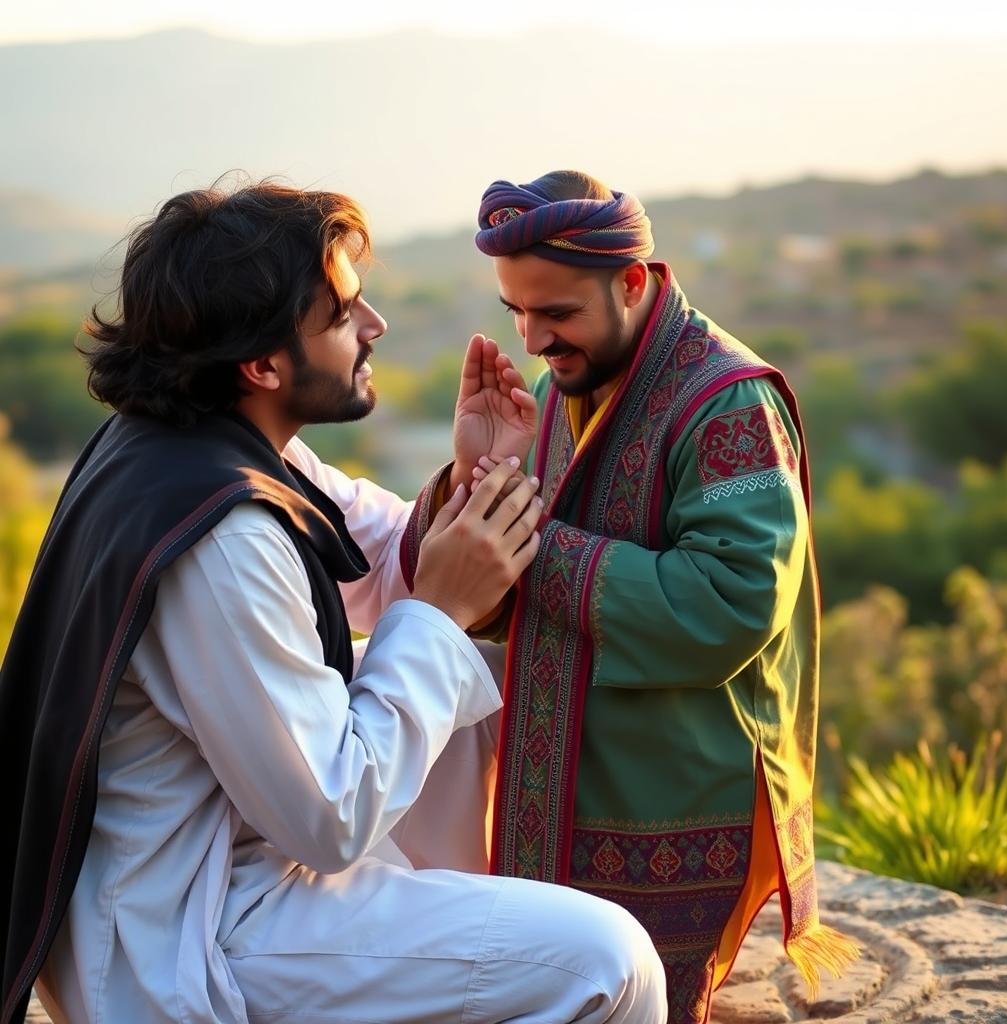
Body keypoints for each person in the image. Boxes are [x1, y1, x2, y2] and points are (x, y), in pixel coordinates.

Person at [0, 182, 669, 1024]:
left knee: (477, 676)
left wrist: (475, 480)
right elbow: (331, 817)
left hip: (233, 856)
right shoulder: (223, 540)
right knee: (608, 962)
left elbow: (382, 555)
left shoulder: (210, 442)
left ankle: (456, 957)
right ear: (263, 363)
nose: (375, 325)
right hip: (189, 930)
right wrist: (440, 615)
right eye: (344, 312)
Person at [399, 170, 859, 1024]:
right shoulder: (559, 386)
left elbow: (727, 604)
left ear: (634, 282)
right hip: (552, 791)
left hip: (671, 812)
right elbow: (492, 591)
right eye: (518, 313)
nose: (535, 338)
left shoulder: (728, 407)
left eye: (558, 313)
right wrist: (477, 477)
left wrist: (529, 537)